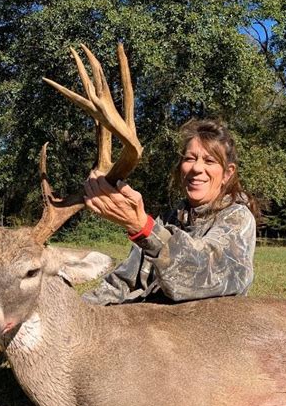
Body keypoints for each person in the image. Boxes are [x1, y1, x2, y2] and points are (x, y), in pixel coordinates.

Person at [82, 119, 258, 305]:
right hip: (150, 325)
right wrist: (80, 310)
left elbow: (205, 272)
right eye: (190, 158)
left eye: (209, 161)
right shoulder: (168, 219)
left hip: (202, 328)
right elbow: (123, 282)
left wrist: (144, 228)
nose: (197, 168)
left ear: (227, 173)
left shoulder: (237, 218)